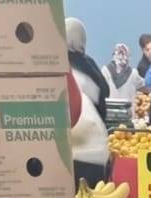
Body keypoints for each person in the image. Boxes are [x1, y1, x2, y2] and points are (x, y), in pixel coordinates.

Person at [65, 18, 109, 187]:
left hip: (65, 152)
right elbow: (104, 94)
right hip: (95, 151)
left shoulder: (54, 63)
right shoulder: (89, 65)